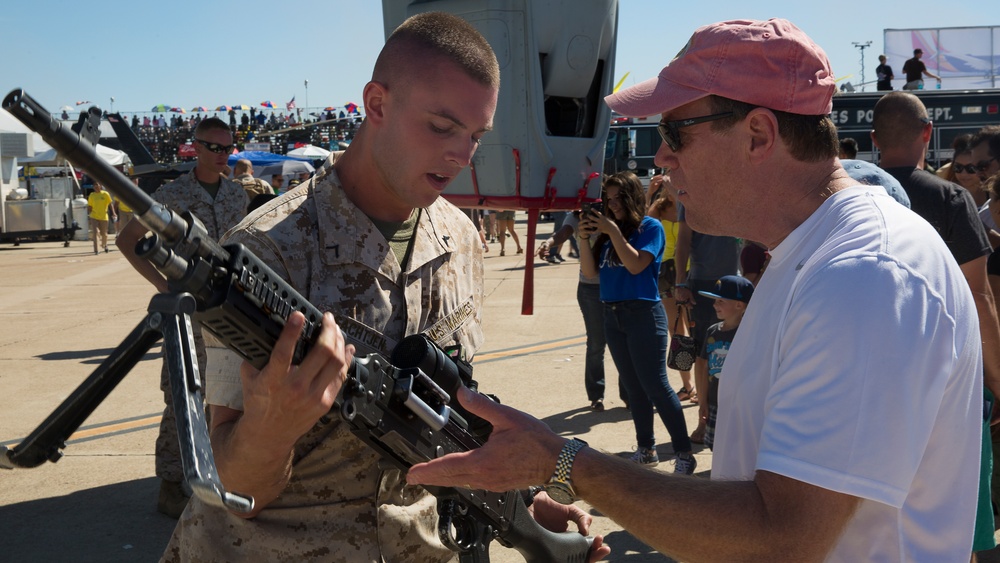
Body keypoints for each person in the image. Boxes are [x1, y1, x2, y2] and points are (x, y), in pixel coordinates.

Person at [408, 18, 983, 562]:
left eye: (674, 132)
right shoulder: (819, 257)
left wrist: (563, 461)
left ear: (759, 134)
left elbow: (781, 540)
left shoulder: (865, 276)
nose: (660, 158)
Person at [159, 12, 603, 562]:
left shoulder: (461, 238)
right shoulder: (265, 251)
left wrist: (524, 500)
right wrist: (270, 431)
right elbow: (233, 490)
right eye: (441, 127)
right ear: (376, 104)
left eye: (476, 135)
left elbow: (451, 415)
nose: (462, 156)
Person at [873, 92, 1000, 556]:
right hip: (946, 377)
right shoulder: (950, 197)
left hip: (872, 374)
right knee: (956, 511)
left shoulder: (850, 196)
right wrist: (997, 379)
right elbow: (979, 298)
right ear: (928, 134)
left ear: (873, 140)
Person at [116, 117, 248, 518]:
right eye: (213, 148)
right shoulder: (173, 194)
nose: (221, 155)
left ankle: (215, 475)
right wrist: (164, 286)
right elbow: (127, 239)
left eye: (227, 148)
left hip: (228, 311)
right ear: (194, 147)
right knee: (182, 395)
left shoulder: (238, 196)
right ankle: (171, 483)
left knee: (227, 395)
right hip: (189, 311)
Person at [578, 171, 695, 473]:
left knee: (656, 385)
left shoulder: (649, 227)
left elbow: (635, 266)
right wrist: (583, 237)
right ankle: (647, 448)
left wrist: (613, 231)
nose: (612, 203)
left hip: (642, 314)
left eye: (617, 197)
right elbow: (590, 273)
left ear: (630, 196)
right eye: (608, 198)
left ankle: (683, 453)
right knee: (633, 387)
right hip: (612, 314)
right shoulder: (608, 234)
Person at [694, 275, 752, 450]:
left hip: (740, 406)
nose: (714, 305)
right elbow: (703, 366)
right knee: (716, 447)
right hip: (715, 403)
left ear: (739, 305)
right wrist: (703, 401)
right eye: (714, 300)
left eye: (720, 301)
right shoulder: (713, 332)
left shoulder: (748, 334)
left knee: (739, 448)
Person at [87, 182, 116, 255]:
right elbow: (90, 206)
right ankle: (96, 249)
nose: (96, 187)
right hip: (94, 216)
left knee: (104, 233)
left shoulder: (105, 194)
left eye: (97, 185)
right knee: (96, 232)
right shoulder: (92, 195)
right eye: (94, 185)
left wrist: (113, 213)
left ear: (100, 186)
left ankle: (104, 245)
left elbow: (110, 204)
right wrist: (89, 215)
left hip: (103, 216)